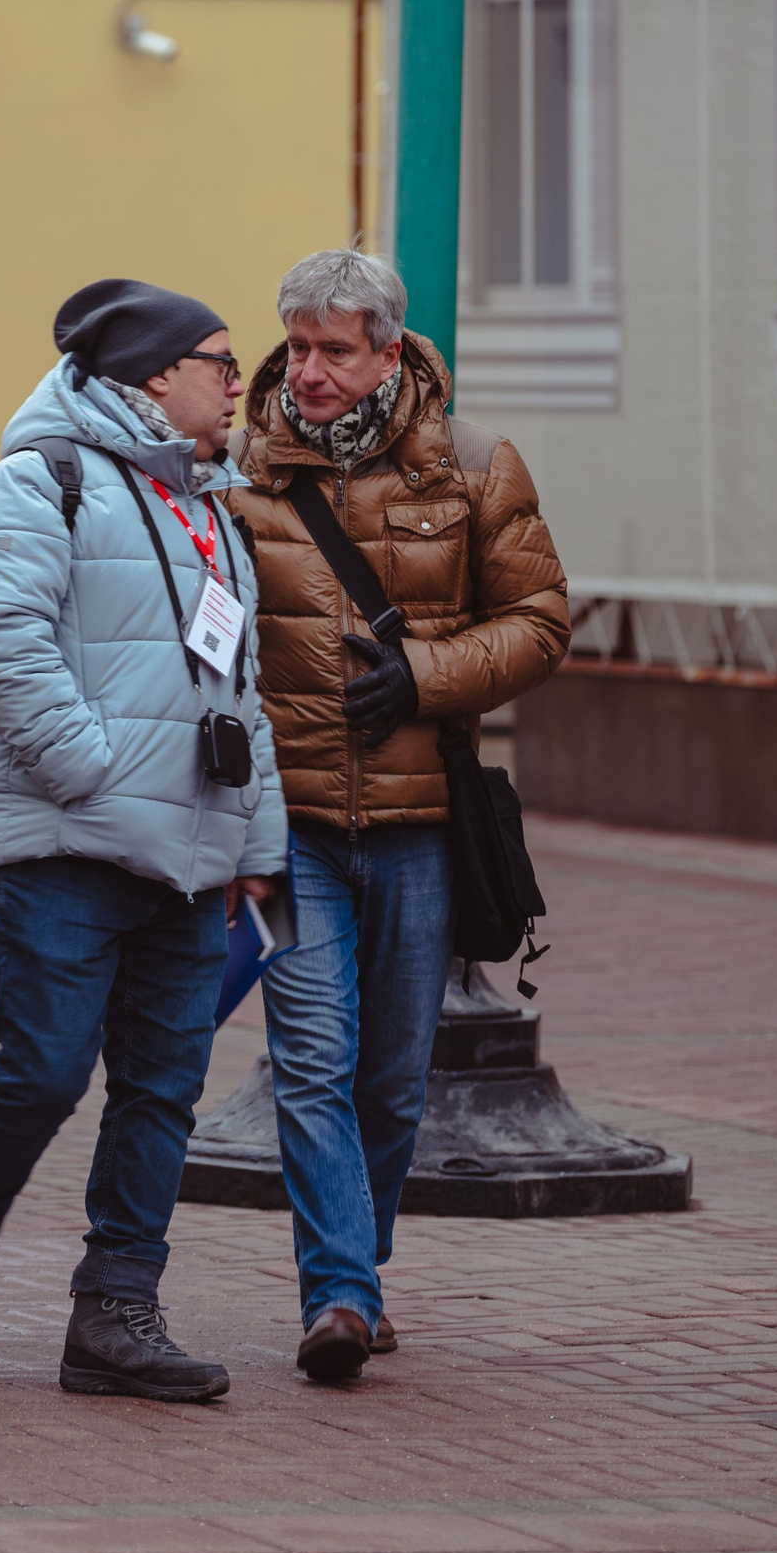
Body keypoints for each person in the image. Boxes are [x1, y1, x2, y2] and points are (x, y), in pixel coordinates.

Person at [0, 279, 285, 1402]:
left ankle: (116, 1310)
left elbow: (240, 691)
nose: (234, 378)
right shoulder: (44, 478)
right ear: (155, 376)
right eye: (219, 358)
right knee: (49, 1060)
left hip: (188, 855)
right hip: (62, 839)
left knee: (163, 1085)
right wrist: (89, 767)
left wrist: (256, 844)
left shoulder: (212, 507)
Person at [228, 249, 569, 1384]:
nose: (308, 371)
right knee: (312, 1058)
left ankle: (356, 1269)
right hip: (288, 829)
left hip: (421, 825)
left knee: (390, 1076)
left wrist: (425, 674)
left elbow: (540, 619)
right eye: (298, 346)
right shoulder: (240, 467)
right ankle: (337, 1292)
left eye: (334, 349)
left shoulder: (471, 463)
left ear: (386, 350)